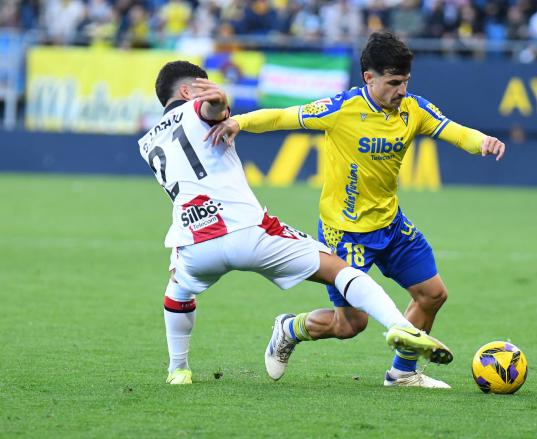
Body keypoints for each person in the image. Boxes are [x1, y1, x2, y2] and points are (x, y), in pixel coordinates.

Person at [206, 31, 506, 389]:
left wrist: (481, 142)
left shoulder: (414, 110)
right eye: (394, 82)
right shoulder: (342, 109)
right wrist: (240, 122)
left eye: (406, 81)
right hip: (345, 232)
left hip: (391, 225)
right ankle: (288, 328)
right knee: (350, 325)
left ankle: (402, 374)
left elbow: (454, 131)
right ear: (369, 77)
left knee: (432, 294)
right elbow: (285, 117)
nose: (402, 91)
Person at [138, 60, 452, 385]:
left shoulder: (148, 142)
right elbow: (211, 111)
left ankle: (178, 370)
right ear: (189, 91)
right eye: (203, 86)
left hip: (193, 242)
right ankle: (399, 326)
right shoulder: (199, 110)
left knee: (177, 290)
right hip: (248, 232)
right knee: (337, 269)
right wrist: (216, 100)